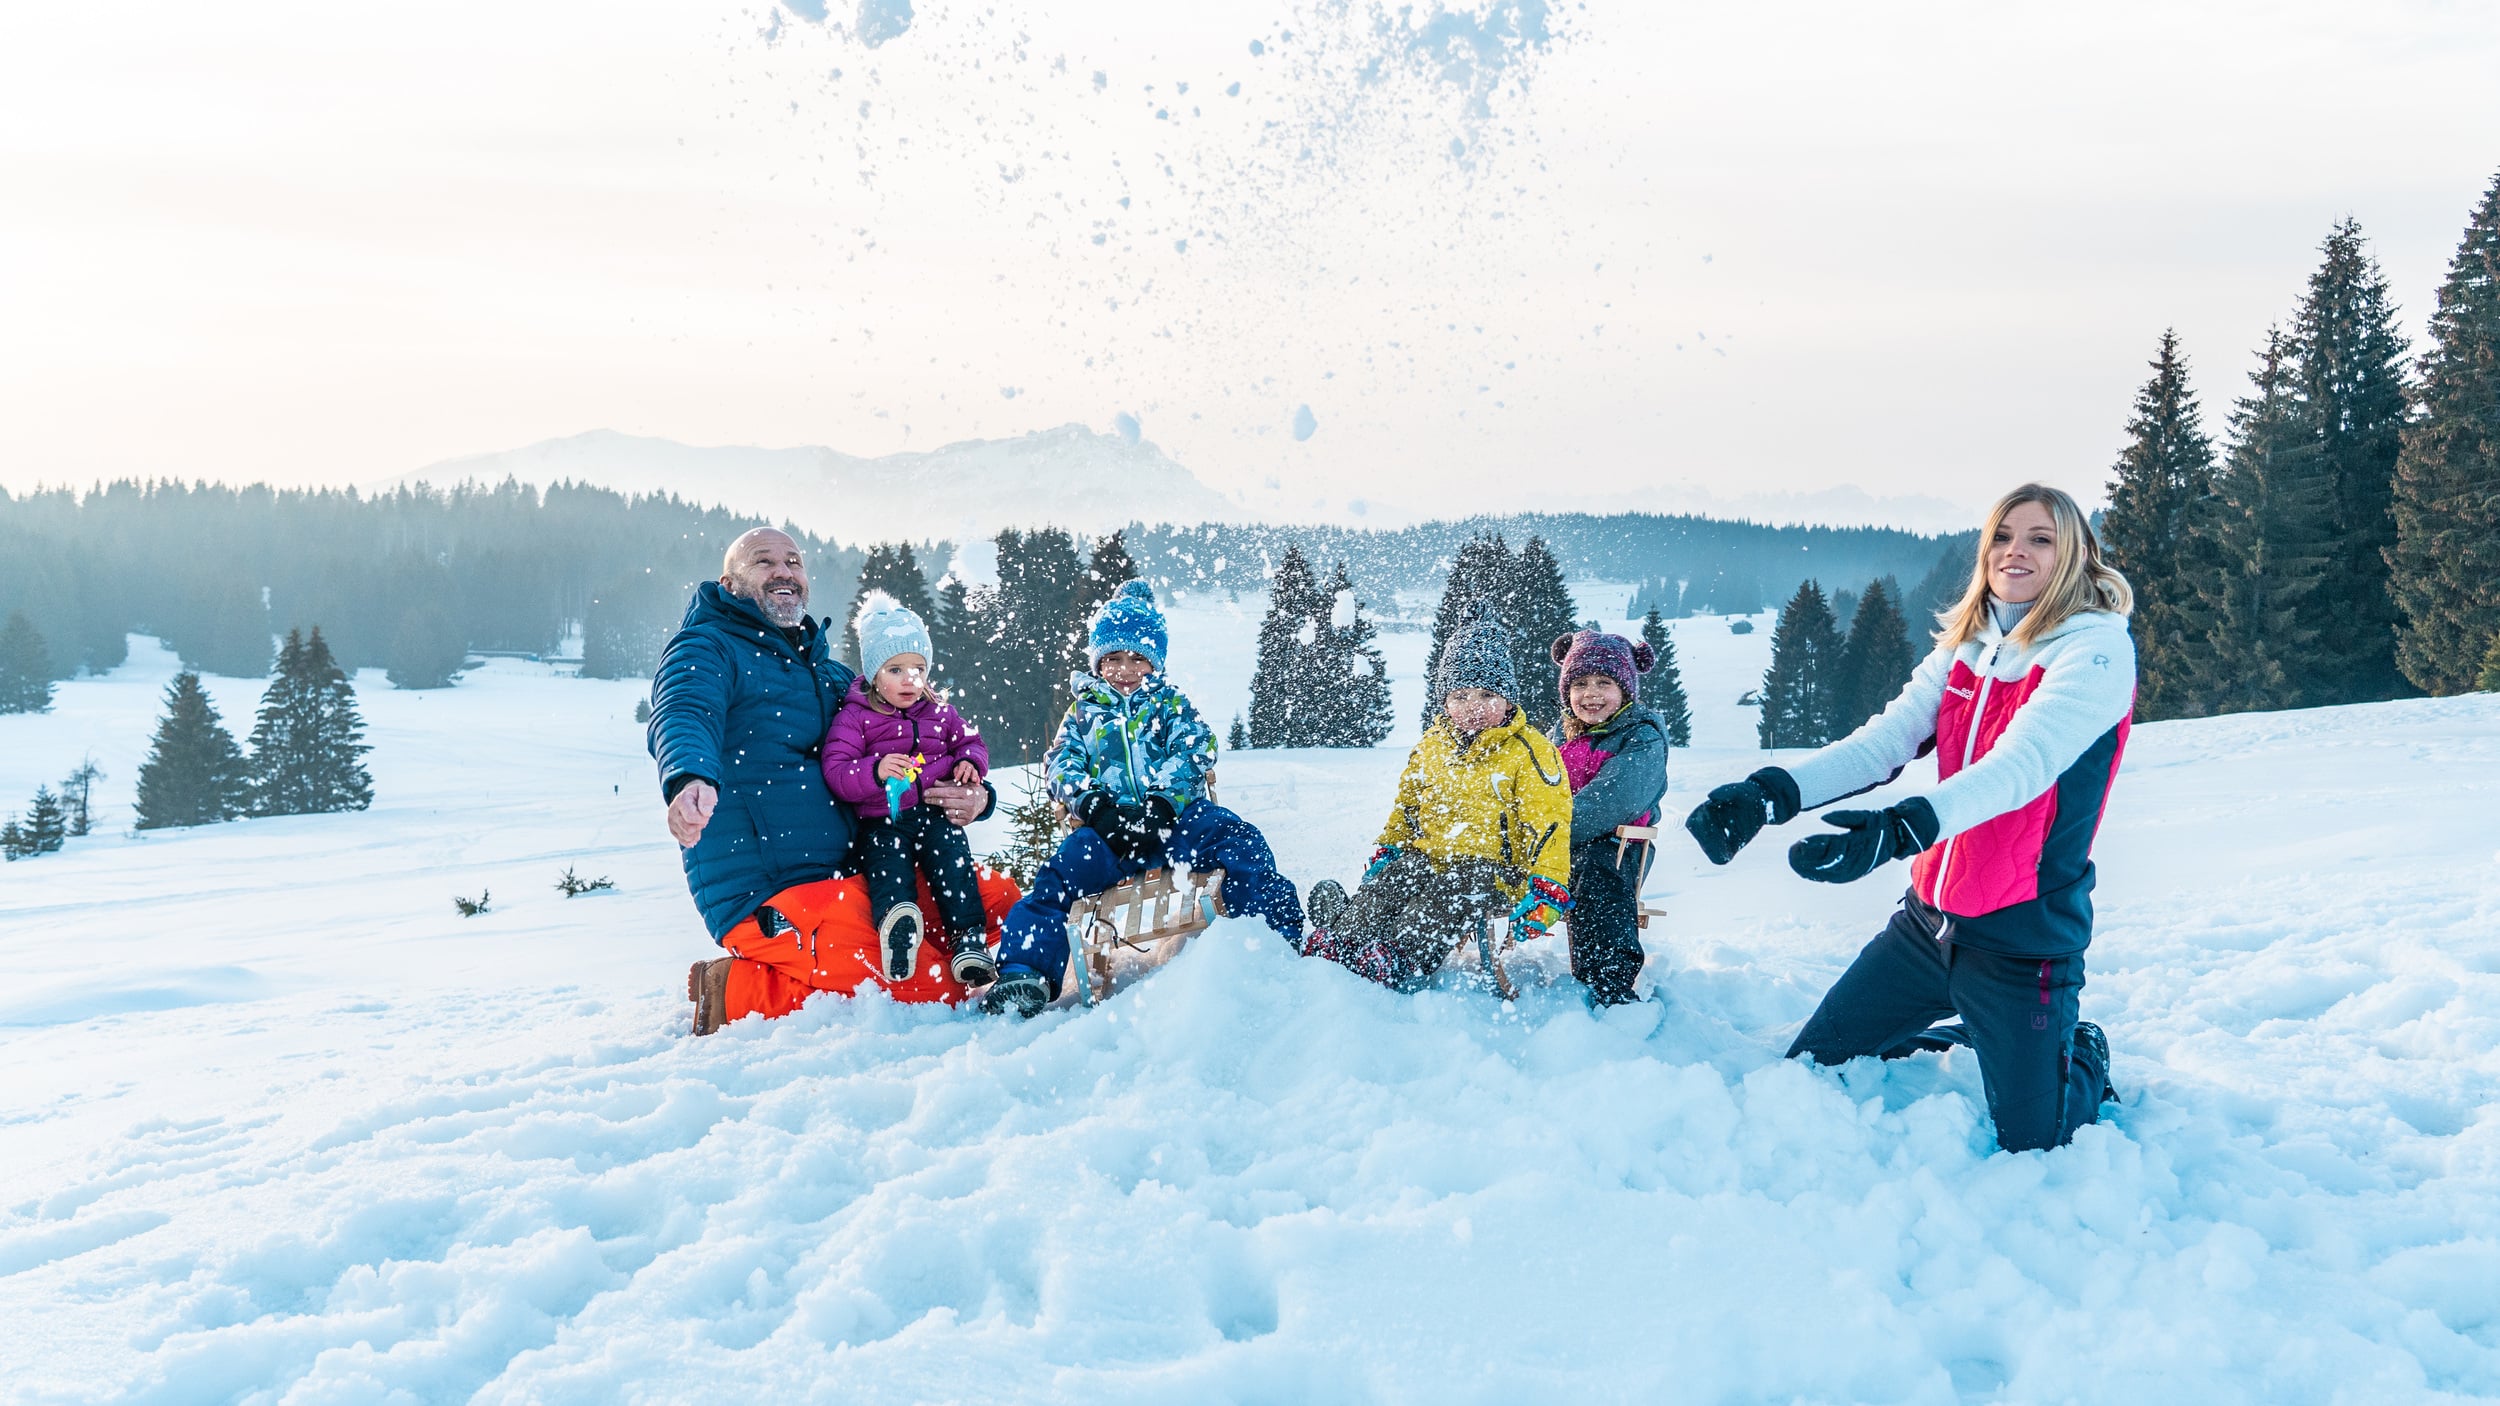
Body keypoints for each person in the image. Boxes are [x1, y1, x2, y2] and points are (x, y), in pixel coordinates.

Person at [1684, 483, 2134, 1152]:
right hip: (1927, 927)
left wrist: (1902, 827)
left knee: (2037, 1142)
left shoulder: (2093, 652)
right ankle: (1985, 1029)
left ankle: (2079, 1050)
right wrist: (1770, 793)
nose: (2016, 551)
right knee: (1814, 1065)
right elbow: (1884, 741)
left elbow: (2025, 764)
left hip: (2023, 939)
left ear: (2073, 556)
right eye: (2004, 536)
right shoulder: (1969, 645)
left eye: (2041, 538)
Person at [648, 527, 1021, 1034]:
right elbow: (684, 708)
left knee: (1004, 908)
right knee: (934, 986)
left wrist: (977, 794)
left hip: (864, 870)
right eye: (764, 562)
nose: (784, 571)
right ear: (730, 584)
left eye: (794, 562)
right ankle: (733, 989)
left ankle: (827, 964)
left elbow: (916, 740)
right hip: (773, 889)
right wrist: (688, 776)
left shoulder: (832, 673)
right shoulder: (707, 647)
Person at [982, 579, 1305, 1017]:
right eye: (1113, 658)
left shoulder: (1169, 704)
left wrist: (1164, 801)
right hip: (1108, 832)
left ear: (1154, 661)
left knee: (1239, 841)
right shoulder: (1083, 713)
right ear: (1098, 662)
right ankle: (1026, 972)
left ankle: (1273, 935)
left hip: (1173, 823)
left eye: (1137, 658)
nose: (1124, 669)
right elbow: (1060, 764)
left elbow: (1196, 749)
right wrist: (1095, 805)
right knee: (1058, 878)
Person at [1300, 617, 1573, 991]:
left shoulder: (1530, 752)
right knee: (1396, 877)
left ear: (1508, 698)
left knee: (1454, 887)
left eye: (1487, 696)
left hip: (1495, 872)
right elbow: (1407, 808)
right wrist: (1391, 847)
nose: (1473, 707)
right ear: (1444, 700)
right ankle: (1346, 936)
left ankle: (1401, 956)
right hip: (1429, 857)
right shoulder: (1432, 745)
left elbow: (1550, 825)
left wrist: (1548, 888)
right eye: (1461, 697)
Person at [819, 591, 997, 988]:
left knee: (954, 864)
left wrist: (971, 763)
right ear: (873, 673)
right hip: (883, 819)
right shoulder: (855, 717)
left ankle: (969, 940)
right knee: (889, 871)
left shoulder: (940, 711)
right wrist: (876, 769)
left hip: (935, 814)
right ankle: (898, 930)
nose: (910, 680)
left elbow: (971, 741)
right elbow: (837, 771)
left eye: (918, 668)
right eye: (896, 669)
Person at [1550, 630, 1668, 1006]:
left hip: (1618, 847)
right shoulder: (1559, 737)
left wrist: (1547, 831)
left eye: (1605, 682)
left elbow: (1612, 802)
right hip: (1554, 847)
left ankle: (1609, 982)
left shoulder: (1641, 737)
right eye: (1580, 683)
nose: (1591, 693)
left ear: (1627, 690)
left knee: (1597, 871)